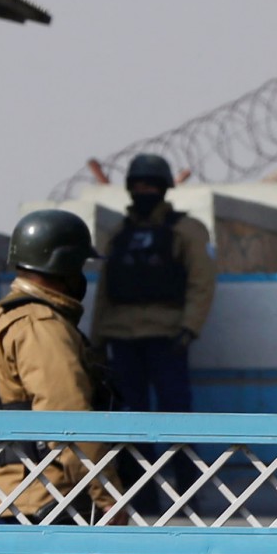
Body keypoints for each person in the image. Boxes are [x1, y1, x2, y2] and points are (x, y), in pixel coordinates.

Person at [0, 208, 113, 519]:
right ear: (64, 266)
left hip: (6, 498)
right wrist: (107, 494)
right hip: (46, 498)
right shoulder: (41, 324)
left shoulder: (1, 316)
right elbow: (68, 416)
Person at [93, 154, 215, 413]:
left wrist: (189, 328)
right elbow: (105, 290)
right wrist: (98, 339)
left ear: (162, 188)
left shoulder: (185, 230)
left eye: (149, 186)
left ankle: (180, 456)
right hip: (121, 335)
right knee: (127, 409)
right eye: (137, 186)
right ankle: (134, 456)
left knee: (175, 410)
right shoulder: (119, 234)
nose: (142, 192)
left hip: (167, 334)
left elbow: (201, 281)